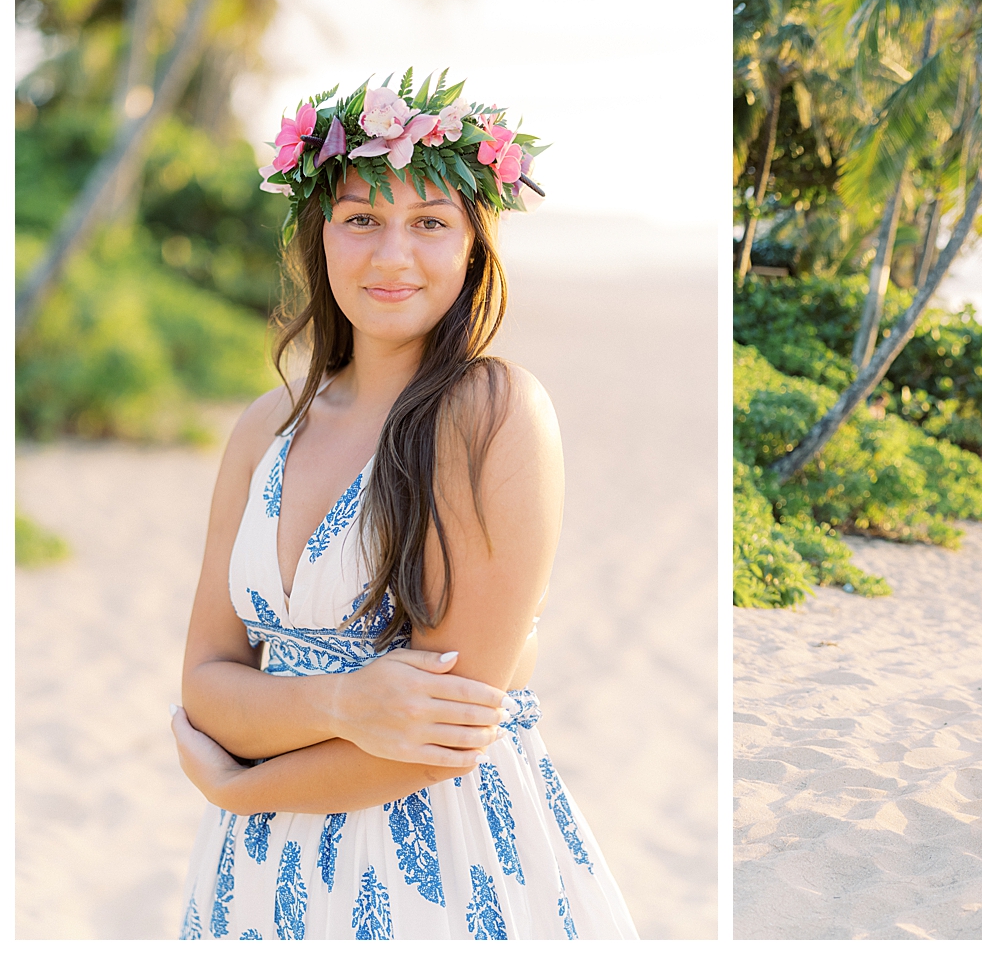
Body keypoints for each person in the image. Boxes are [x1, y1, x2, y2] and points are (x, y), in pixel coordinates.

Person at [168, 72, 637, 939]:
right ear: (320, 236)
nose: (393, 256)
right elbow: (204, 683)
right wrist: (344, 703)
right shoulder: (266, 427)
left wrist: (239, 784)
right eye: (361, 220)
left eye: (430, 223)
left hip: (440, 866)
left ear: (472, 247)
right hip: (257, 874)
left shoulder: (492, 412)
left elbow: (436, 738)